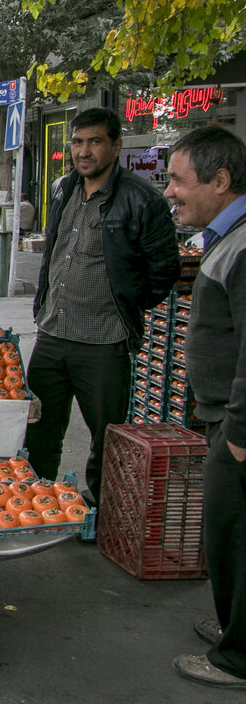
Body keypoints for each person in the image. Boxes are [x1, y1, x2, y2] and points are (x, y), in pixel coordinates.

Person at [23, 107, 179, 505]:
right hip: (53, 333)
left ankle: (99, 510)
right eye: (77, 142)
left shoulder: (141, 201)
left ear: (116, 146)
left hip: (104, 341)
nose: (84, 151)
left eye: (94, 141)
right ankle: (36, 500)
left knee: (106, 434)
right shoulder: (65, 189)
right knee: (39, 427)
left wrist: (124, 305)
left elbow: (163, 271)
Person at [164, 125, 246, 690]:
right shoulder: (227, 237)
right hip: (221, 413)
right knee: (226, 531)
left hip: (238, 425)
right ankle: (233, 628)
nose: (169, 191)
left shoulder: (242, 246)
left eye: (177, 179)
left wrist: (239, 429)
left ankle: (237, 658)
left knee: (234, 532)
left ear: (220, 181)